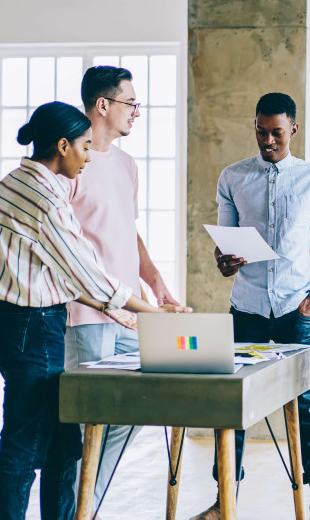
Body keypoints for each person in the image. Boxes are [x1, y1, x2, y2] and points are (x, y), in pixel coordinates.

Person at [0, 101, 190, 520]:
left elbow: (61, 274)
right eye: (83, 146)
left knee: (62, 445)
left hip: (11, 325)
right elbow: (89, 273)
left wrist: (119, 311)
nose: (88, 155)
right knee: (22, 449)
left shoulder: (11, 184)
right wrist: (150, 312)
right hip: (32, 329)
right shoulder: (48, 200)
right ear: (62, 146)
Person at [190, 93, 310, 520]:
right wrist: (224, 261)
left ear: (292, 130)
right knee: (230, 404)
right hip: (247, 309)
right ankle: (224, 500)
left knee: (309, 404)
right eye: (260, 130)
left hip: (296, 309)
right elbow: (224, 250)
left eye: (276, 132)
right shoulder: (232, 177)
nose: (267, 139)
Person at [64, 65, 182, 509]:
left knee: (136, 408)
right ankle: (78, 509)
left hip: (131, 314)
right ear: (103, 105)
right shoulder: (70, 163)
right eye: (132, 103)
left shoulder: (128, 165)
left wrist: (157, 284)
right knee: (92, 421)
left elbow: (128, 232)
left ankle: (84, 506)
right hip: (87, 315)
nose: (138, 112)